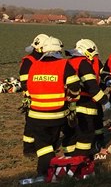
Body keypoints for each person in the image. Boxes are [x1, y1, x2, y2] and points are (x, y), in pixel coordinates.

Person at [25, 37, 80, 178]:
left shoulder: (34, 65)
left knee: (43, 146)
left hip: (35, 115)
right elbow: (75, 87)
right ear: (58, 50)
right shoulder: (64, 65)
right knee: (49, 145)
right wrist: (71, 97)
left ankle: (45, 172)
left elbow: (27, 87)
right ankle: (47, 172)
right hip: (56, 115)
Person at [65, 39, 110, 157]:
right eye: (94, 54)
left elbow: (102, 73)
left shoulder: (69, 63)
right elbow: (91, 87)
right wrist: (105, 101)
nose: (95, 57)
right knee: (85, 133)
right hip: (85, 102)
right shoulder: (83, 63)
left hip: (69, 102)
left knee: (72, 133)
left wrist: (107, 79)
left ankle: (68, 157)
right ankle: (80, 159)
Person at [18, 33, 49, 156]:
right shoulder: (29, 61)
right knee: (31, 124)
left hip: (44, 97)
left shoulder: (43, 59)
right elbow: (25, 82)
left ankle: (42, 146)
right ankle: (29, 149)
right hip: (32, 97)